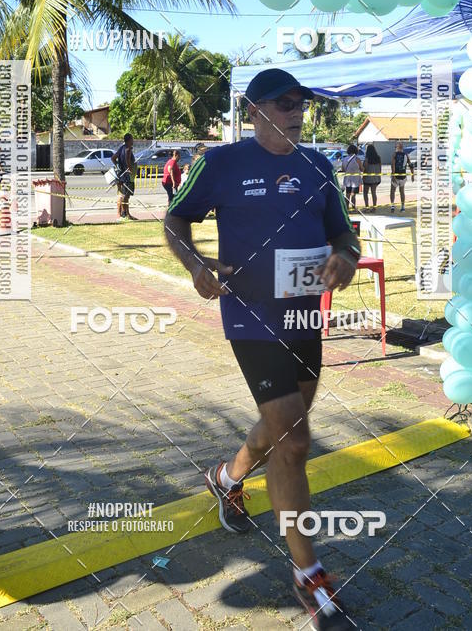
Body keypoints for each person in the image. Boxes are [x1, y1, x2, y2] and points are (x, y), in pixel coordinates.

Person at [164, 68, 360, 630]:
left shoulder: (319, 166)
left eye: (301, 104)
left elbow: (343, 233)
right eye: (283, 104)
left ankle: (226, 479)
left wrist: (344, 257)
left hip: (304, 316)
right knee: (295, 440)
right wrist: (198, 265)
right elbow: (175, 220)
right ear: (254, 111)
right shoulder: (221, 163)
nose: (296, 112)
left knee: (280, 428)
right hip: (250, 319)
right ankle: (309, 574)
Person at [111, 133, 137, 220]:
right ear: (129, 140)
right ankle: (126, 215)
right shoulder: (128, 149)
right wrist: (129, 169)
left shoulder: (121, 148)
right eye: (132, 139)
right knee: (126, 196)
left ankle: (124, 214)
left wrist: (118, 166)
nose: (133, 140)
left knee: (122, 195)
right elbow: (128, 160)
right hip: (127, 177)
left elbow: (113, 158)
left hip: (121, 175)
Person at [390, 141, 415, 213]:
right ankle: (403, 207)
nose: (395, 148)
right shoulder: (406, 155)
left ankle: (392, 206)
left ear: (397, 147)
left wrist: (393, 175)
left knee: (392, 191)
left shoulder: (394, 154)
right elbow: (411, 165)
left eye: (395, 147)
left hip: (396, 175)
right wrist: (412, 175)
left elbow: (393, 165)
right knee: (402, 191)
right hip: (403, 176)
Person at [341, 144, 362, 212]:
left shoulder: (344, 159)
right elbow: (362, 169)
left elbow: (343, 169)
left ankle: (346, 207)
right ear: (355, 151)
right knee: (353, 194)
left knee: (348, 194)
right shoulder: (357, 159)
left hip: (347, 179)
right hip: (355, 179)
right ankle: (353, 207)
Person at [362, 143, 382, 212]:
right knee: (374, 192)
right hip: (376, 178)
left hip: (368, 178)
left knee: (365, 193)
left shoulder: (367, 159)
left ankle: (367, 206)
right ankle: (374, 207)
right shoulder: (378, 158)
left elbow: (365, 169)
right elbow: (380, 168)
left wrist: (363, 176)